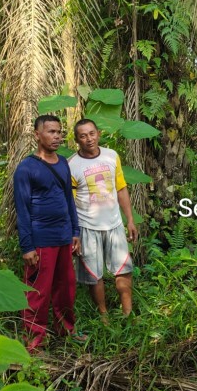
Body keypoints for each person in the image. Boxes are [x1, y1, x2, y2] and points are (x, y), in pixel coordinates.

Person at [13, 114, 84, 352]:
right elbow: (22, 209)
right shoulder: (26, 168)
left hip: (64, 237)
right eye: (51, 132)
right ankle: (34, 343)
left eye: (59, 132)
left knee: (66, 289)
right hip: (41, 240)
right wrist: (27, 246)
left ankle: (67, 330)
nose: (57, 136)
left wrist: (75, 231)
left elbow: (68, 199)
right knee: (38, 293)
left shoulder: (63, 162)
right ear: (37, 134)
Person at [68, 119, 139, 319]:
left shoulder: (111, 156)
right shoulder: (71, 165)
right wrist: (73, 233)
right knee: (94, 275)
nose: (89, 139)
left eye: (92, 134)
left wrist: (130, 220)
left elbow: (121, 188)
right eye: (83, 136)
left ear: (99, 134)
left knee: (123, 269)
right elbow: (69, 203)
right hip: (87, 227)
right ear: (77, 140)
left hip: (114, 224)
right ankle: (103, 316)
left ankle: (128, 313)